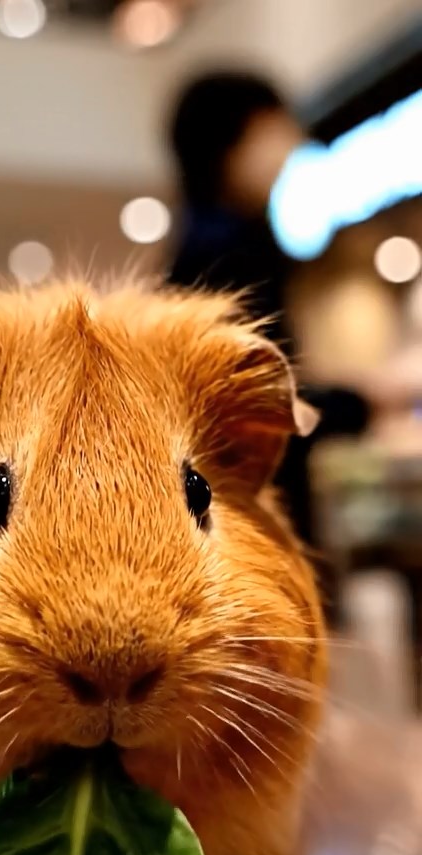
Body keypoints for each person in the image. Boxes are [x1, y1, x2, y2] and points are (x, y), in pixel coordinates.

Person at [165, 71, 370, 550]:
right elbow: (265, 407)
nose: (294, 145)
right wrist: (364, 400)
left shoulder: (198, 250)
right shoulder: (228, 255)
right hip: (248, 522)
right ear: (236, 142)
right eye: (278, 129)